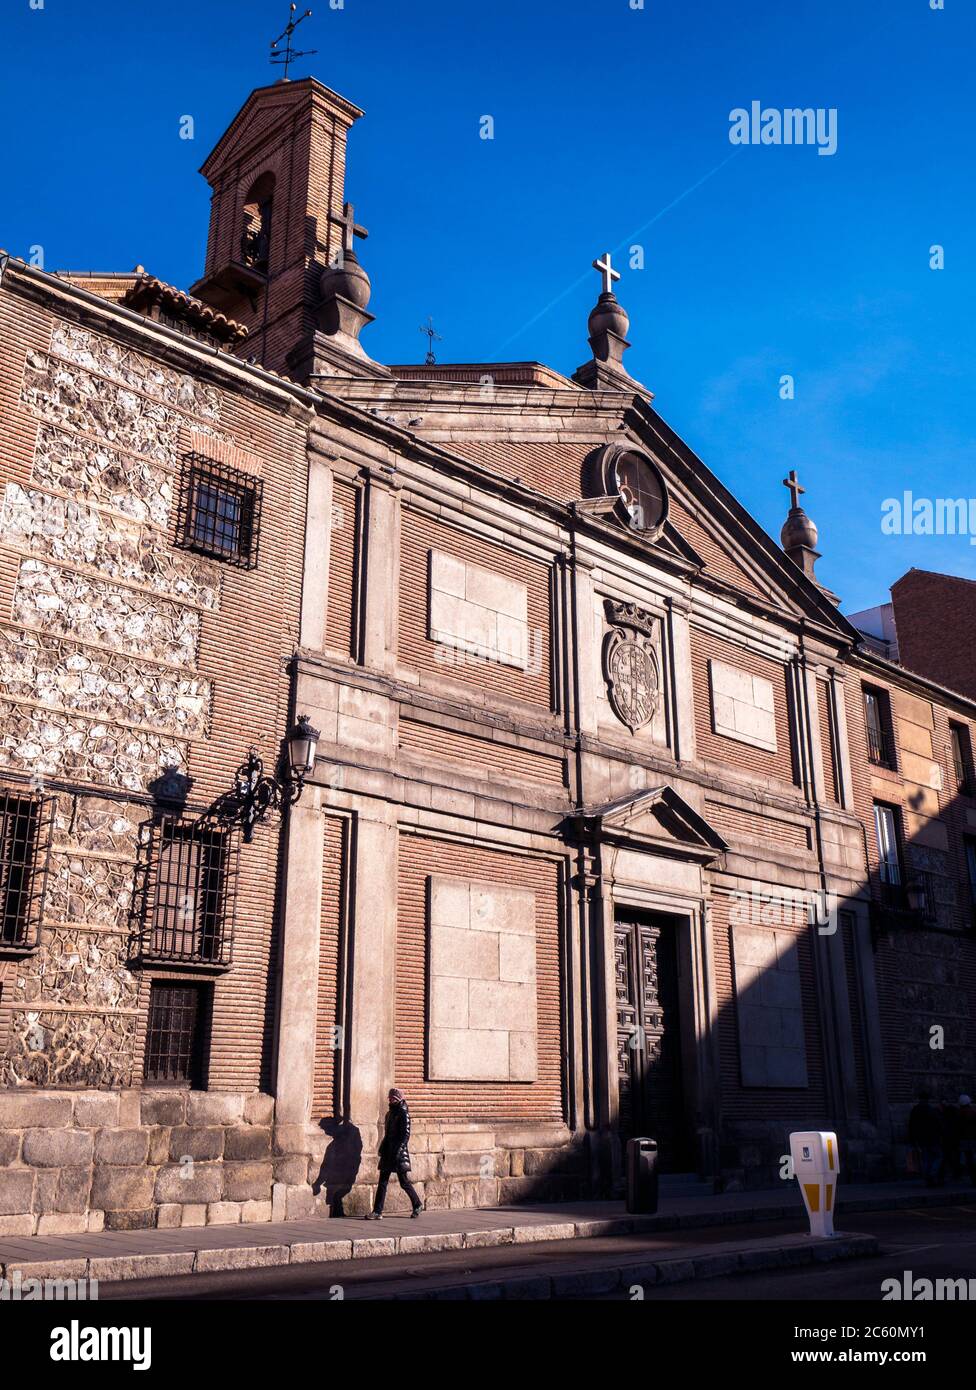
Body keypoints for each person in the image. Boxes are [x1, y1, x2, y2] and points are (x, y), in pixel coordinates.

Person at [365, 1088, 423, 1220]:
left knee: (404, 1182)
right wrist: (382, 1147)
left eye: (392, 1098)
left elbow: (405, 1135)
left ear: (398, 1099)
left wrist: (399, 1151)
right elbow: (387, 1134)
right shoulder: (389, 1114)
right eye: (389, 1098)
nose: (389, 1100)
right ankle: (377, 1211)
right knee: (382, 1182)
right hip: (388, 1152)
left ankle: (418, 1204)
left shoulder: (403, 1113)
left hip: (398, 1153)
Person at [908, 1089, 944, 1188]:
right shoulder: (931, 1110)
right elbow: (938, 1124)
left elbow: (911, 1125)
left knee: (925, 1158)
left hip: (921, 1139)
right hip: (933, 1138)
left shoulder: (915, 1110)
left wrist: (912, 1139)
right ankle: (932, 1174)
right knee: (938, 1156)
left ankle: (927, 1178)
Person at [958, 1094, 976, 1186]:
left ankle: (973, 1178)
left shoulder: (959, 1113)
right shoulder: (973, 1112)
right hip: (973, 1138)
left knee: (969, 1160)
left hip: (963, 1139)